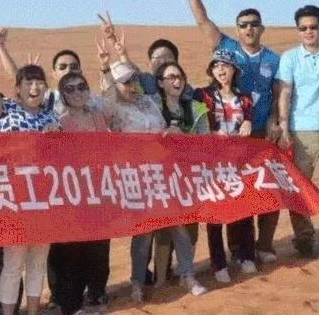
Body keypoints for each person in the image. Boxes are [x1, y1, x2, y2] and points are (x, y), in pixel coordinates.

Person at [179, 0, 281, 263]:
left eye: (253, 24)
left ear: (262, 28)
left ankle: (264, 246)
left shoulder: (274, 59)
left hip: (260, 133)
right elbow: (202, 21)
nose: (248, 28)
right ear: (237, 29)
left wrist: (275, 120)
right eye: (243, 24)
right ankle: (238, 251)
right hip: (227, 139)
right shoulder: (226, 47)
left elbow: (278, 94)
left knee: (267, 189)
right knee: (236, 192)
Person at [102, 61, 206, 302]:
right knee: (144, 231)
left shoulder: (148, 102)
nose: (132, 86)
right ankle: (137, 282)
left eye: (134, 80)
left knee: (178, 223)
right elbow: (105, 102)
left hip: (162, 173)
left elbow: (161, 128)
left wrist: (171, 132)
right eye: (125, 83)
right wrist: (105, 69)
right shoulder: (113, 109)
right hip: (136, 177)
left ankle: (187, 275)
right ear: (115, 87)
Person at [0, 26, 61, 315]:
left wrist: (56, 135)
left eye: (39, 82)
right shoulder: (6, 110)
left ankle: (34, 310)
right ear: (18, 88)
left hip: (45, 197)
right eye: (29, 83)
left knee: (38, 261)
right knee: (13, 263)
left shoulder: (51, 115)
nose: (35, 87)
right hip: (14, 198)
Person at [193, 50, 257, 283]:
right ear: (211, 71)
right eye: (216, 65)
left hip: (238, 163)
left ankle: (246, 255)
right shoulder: (202, 95)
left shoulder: (245, 98)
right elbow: (196, 123)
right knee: (215, 214)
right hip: (212, 164)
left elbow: (248, 120)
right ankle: (218, 263)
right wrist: (210, 133)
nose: (221, 69)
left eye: (226, 65)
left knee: (244, 209)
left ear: (234, 70)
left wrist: (248, 120)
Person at [54, 71, 110, 315]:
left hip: (98, 192)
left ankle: (96, 295)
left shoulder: (98, 118)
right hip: (72, 196)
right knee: (73, 252)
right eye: (70, 89)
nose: (77, 92)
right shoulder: (59, 122)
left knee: (99, 249)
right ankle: (72, 304)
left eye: (81, 87)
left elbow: (109, 148)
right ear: (63, 95)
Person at [276, 5, 319, 259]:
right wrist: (283, 124)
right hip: (301, 131)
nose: (308, 32)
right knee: (299, 189)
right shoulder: (290, 58)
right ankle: (304, 238)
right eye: (303, 28)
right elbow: (285, 91)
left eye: (313, 27)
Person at [151, 61, 208, 287]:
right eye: (171, 77)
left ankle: (187, 273)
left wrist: (182, 138)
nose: (177, 81)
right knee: (163, 228)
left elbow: (206, 140)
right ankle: (160, 280)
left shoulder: (196, 107)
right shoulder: (151, 106)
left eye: (180, 77)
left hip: (189, 174)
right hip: (161, 175)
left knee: (190, 225)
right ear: (160, 83)